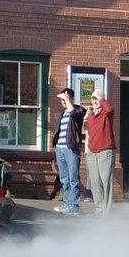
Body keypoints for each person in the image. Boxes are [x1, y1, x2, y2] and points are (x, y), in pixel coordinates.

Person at [52, 87, 86, 215]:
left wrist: (65, 97)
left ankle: (73, 205)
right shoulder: (63, 113)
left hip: (71, 149)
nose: (63, 102)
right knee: (64, 178)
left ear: (71, 98)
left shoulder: (79, 110)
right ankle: (66, 203)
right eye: (62, 100)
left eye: (65, 99)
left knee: (73, 177)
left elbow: (73, 114)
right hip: (60, 149)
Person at [85, 89, 116, 214]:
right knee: (95, 181)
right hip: (92, 151)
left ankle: (107, 210)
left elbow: (109, 109)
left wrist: (101, 99)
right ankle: (99, 207)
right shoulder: (90, 115)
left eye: (97, 98)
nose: (95, 101)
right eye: (93, 98)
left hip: (105, 151)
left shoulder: (107, 113)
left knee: (106, 180)